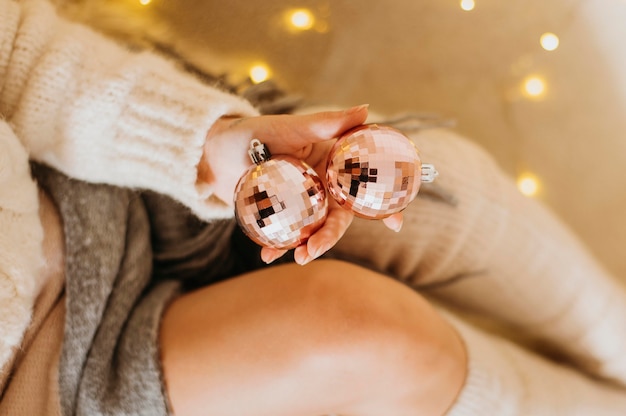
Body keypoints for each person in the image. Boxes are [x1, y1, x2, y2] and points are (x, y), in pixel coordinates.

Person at [2, 0, 626, 414]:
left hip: (87, 188)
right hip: (57, 384)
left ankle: (615, 333)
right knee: (370, 336)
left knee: (436, 181)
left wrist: (207, 145)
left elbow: (18, 53)